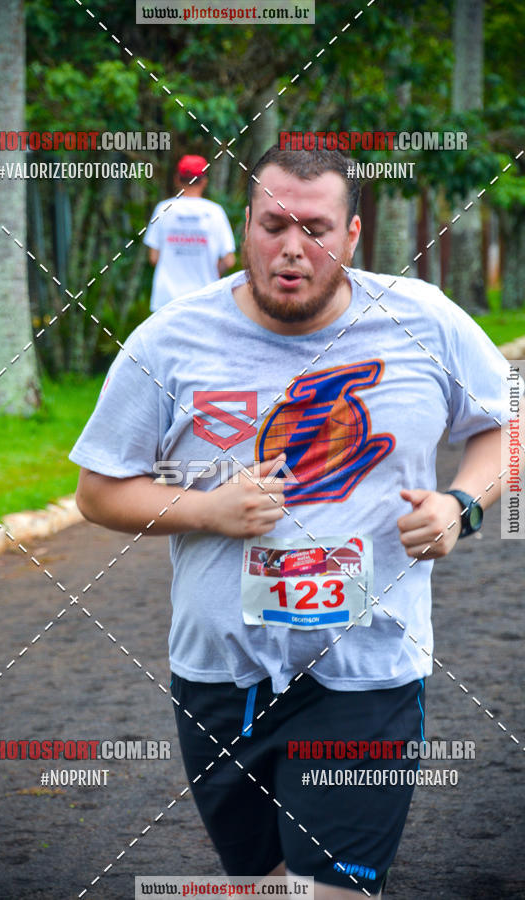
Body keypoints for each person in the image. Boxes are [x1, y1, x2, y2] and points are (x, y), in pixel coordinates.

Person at [70, 146, 522, 897]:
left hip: (366, 671)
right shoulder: (169, 340)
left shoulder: (422, 320)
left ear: (350, 237)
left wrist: (461, 503)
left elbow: (508, 417)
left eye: (314, 227)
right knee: (272, 885)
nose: (291, 247)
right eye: (274, 223)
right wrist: (207, 509)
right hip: (218, 675)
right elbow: (98, 491)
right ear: (243, 228)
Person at [143, 154, 236, 311]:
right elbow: (229, 260)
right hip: (204, 300)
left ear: (178, 179)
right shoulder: (215, 212)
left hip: (167, 300)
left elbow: (153, 257)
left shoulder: (163, 209)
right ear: (204, 181)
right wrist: (212, 272)